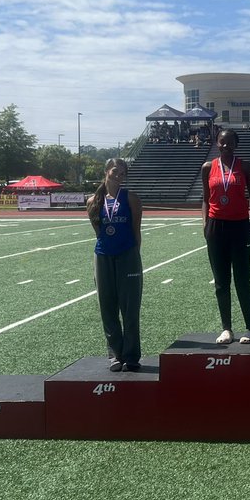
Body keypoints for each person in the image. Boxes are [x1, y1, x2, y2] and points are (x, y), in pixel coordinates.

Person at [201, 128, 250, 344]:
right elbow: (206, 199)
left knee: (243, 279)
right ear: (217, 143)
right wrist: (205, 224)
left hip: (240, 226)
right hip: (216, 227)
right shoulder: (208, 167)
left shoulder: (245, 167)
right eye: (222, 142)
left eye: (230, 142)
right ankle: (227, 329)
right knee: (221, 282)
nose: (226, 145)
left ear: (236, 144)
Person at [87, 158, 143, 371]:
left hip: (128, 255)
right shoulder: (93, 201)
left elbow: (136, 230)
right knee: (107, 307)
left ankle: (131, 356)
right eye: (115, 170)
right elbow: (98, 232)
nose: (120, 174)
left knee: (130, 308)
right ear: (106, 171)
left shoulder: (131, 198)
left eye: (123, 172)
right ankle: (115, 355)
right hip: (103, 256)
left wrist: (134, 257)